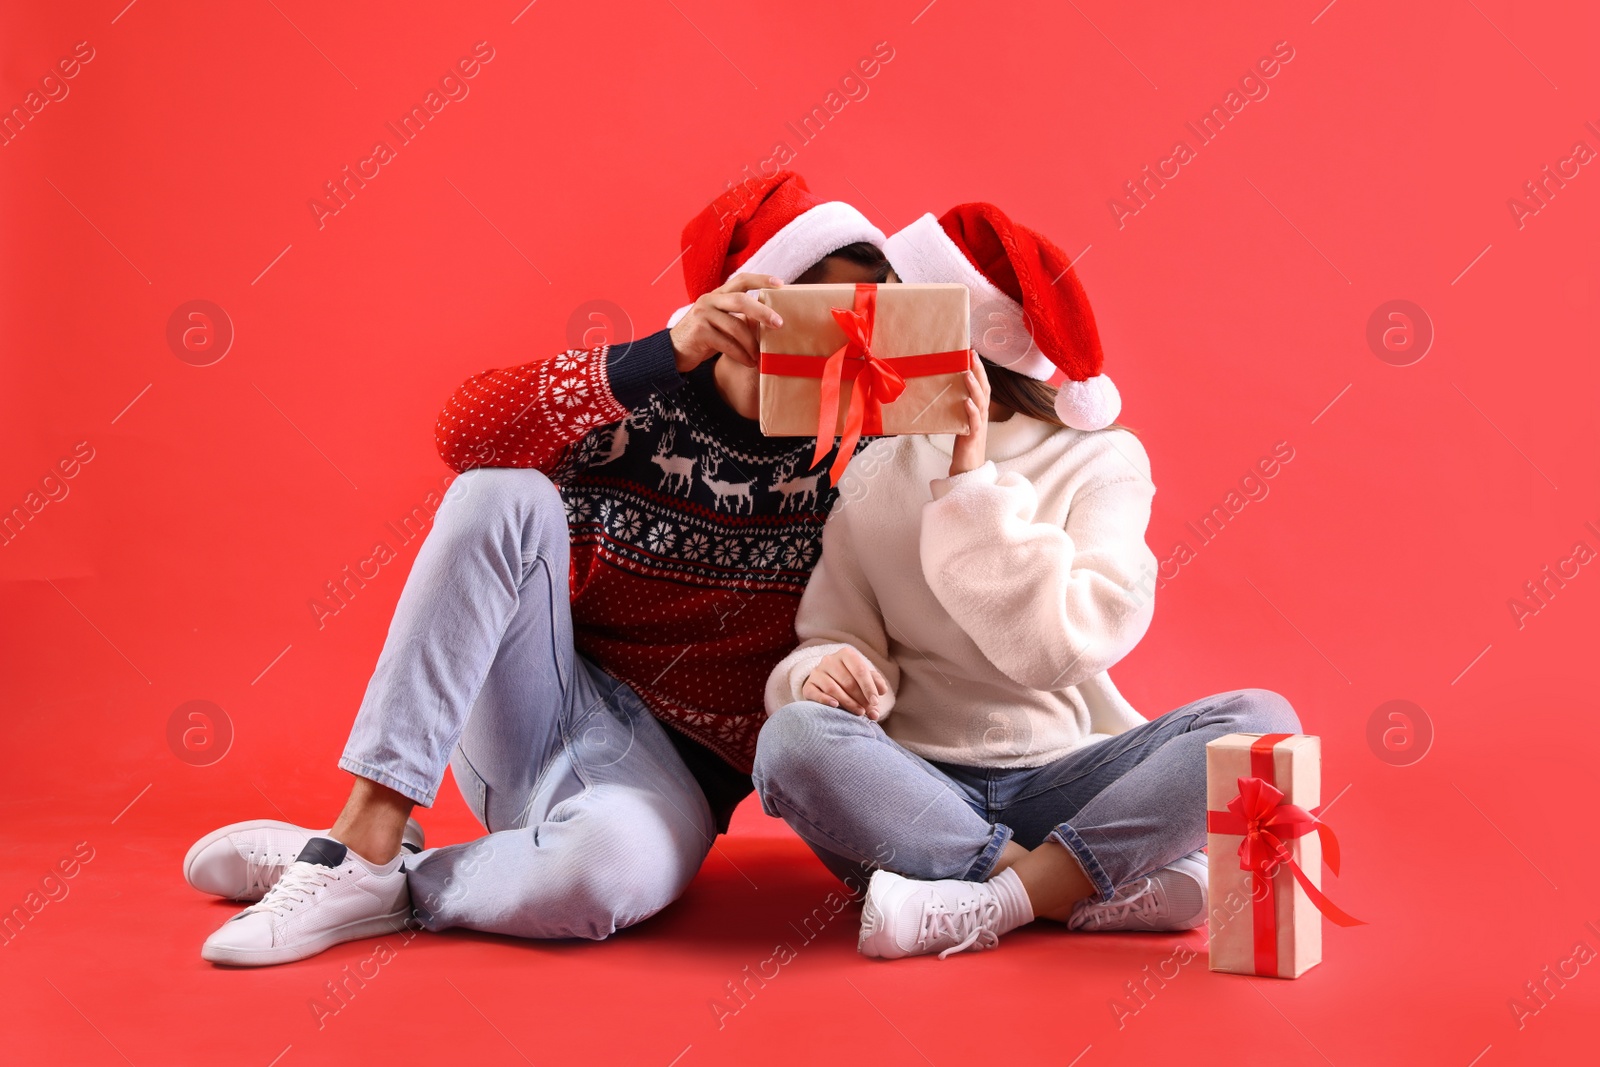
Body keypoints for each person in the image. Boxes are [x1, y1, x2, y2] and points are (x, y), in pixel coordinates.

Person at [185, 171, 897, 966]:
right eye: (820, 316)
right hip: (543, 702)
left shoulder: (878, 452)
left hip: (675, 780)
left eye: (866, 320)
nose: (842, 343)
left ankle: (376, 876)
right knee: (496, 491)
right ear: (748, 303)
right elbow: (464, 430)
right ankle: (367, 828)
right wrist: (668, 350)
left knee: (597, 877)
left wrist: (959, 453)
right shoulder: (641, 393)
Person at [751, 203, 1301, 960]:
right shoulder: (874, 469)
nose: (872, 321)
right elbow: (838, 635)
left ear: (973, 335)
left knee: (1261, 719)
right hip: (916, 791)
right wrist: (828, 675)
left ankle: (990, 902)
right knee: (793, 737)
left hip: (1065, 778)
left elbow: (1060, 648)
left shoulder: (1103, 459)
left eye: (903, 300)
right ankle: (1065, 888)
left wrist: (971, 481)